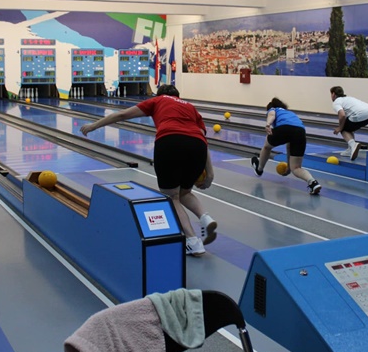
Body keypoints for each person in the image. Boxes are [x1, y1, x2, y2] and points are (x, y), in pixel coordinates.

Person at [80, 84, 217, 257]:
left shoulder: (157, 100)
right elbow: (203, 138)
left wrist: (93, 126)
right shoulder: (190, 107)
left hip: (170, 141)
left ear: (159, 95)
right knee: (185, 192)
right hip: (198, 146)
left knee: (172, 196)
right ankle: (205, 218)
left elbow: (122, 115)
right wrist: (210, 173)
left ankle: (192, 241)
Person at [251, 98, 321, 195]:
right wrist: (289, 167)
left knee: (267, 146)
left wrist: (268, 124)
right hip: (300, 131)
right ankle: (313, 182)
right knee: (296, 168)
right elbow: (289, 146)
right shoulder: (289, 113)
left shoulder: (274, 109)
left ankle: (259, 169)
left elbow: (271, 115)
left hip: (285, 128)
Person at [330, 86, 368, 161]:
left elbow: (342, 115)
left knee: (344, 129)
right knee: (349, 126)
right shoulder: (349, 98)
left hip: (360, 115)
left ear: (333, 94)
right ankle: (350, 149)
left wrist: (340, 128)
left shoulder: (336, 102)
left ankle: (353, 145)